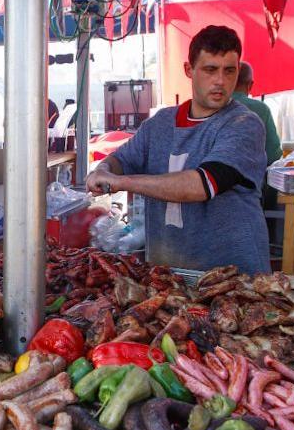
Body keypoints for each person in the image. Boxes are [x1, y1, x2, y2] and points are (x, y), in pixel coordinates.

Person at [85, 25, 269, 273]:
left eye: (229, 71)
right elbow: (121, 159)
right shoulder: (159, 124)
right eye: (210, 70)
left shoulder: (244, 124)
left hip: (234, 278)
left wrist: (121, 182)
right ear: (188, 70)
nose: (220, 81)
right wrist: (103, 170)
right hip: (171, 275)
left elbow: (200, 185)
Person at [232, 61, 282, 210]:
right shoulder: (260, 109)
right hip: (250, 195)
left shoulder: (210, 106)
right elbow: (273, 155)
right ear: (250, 84)